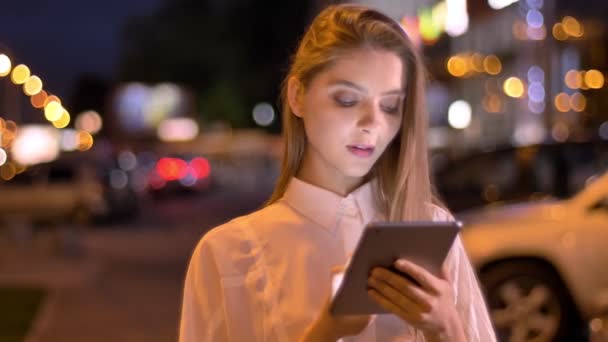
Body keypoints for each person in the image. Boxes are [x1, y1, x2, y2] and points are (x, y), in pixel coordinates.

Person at [179, 4, 496, 341]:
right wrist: (325, 332)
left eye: (390, 106)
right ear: (298, 96)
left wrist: (447, 326)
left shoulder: (432, 230)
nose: (372, 123)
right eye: (347, 99)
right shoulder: (228, 253)